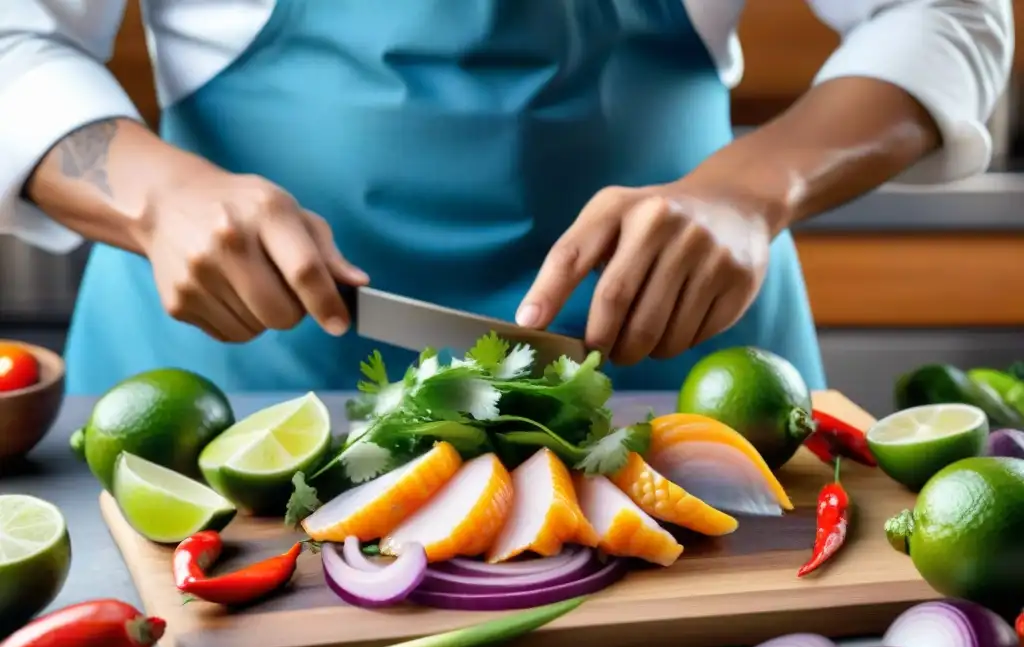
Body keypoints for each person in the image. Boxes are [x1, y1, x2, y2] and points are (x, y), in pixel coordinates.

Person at [0, 1, 1013, 395]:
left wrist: (750, 188)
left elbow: (949, 15)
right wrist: (153, 194)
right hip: (233, 398)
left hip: (673, 396)